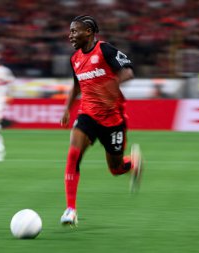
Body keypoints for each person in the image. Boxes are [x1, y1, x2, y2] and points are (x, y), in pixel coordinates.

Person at [59, 15, 143, 226]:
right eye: (70, 31)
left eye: (74, 31)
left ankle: (133, 164)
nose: (70, 35)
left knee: (115, 169)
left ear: (88, 31)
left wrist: (111, 86)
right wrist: (68, 108)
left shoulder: (105, 50)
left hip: (113, 118)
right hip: (87, 115)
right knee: (73, 155)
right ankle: (70, 209)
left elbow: (128, 72)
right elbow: (77, 86)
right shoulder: (74, 59)